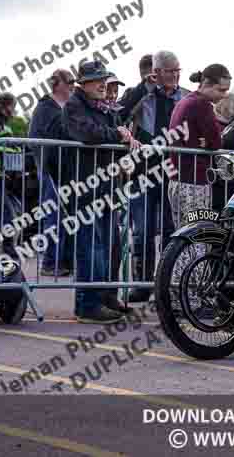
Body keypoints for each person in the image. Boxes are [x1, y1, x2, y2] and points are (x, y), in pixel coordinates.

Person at [63, 60, 140, 324]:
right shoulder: (75, 105)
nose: (102, 84)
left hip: (107, 186)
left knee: (111, 245)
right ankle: (88, 304)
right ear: (82, 84)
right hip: (84, 188)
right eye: (96, 80)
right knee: (91, 246)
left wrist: (126, 137)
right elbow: (86, 133)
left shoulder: (104, 107)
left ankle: (107, 296)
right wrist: (117, 135)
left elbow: (114, 132)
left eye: (103, 79)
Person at [118, 51, 184, 303]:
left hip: (173, 173)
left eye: (177, 70)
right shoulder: (140, 94)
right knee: (142, 230)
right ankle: (142, 284)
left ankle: (165, 285)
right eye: (169, 71)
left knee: (170, 229)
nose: (175, 76)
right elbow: (119, 112)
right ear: (156, 72)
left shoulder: (185, 96)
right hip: (142, 173)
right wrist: (144, 86)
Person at [29, 69, 75, 276]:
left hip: (62, 170)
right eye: (70, 82)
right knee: (53, 216)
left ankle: (61, 260)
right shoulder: (45, 107)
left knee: (63, 216)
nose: (73, 86)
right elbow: (36, 141)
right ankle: (50, 262)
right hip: (49, 169)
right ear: (58, 84)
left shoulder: (63, 107)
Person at [168, 65, 226, 229]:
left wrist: (205, 142)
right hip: (194, 181)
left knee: (181, 236)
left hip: (177, 180)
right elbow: (216, 142)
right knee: (197, 235)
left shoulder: (185, 100)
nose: (224, 95)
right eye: (221, 90)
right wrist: (207, 143)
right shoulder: (203, 105)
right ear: (206, 84)